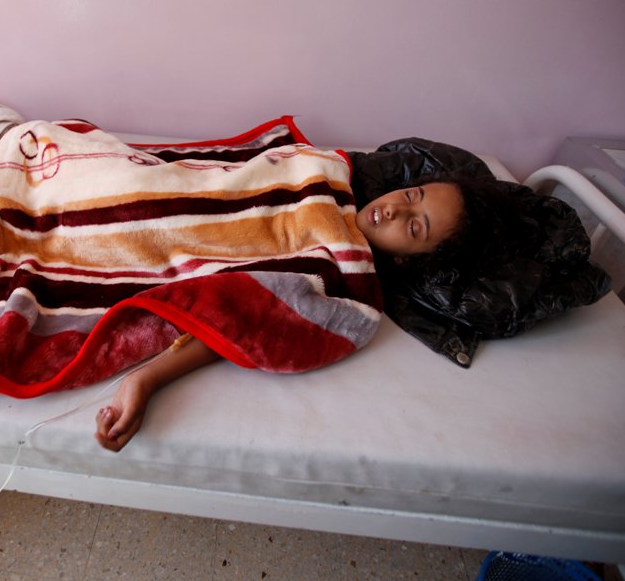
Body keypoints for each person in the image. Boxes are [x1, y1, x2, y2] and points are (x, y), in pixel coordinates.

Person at [95, 175, 493, 452]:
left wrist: (145, 379)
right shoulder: (329, 182)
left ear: (410, 262)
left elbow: (247, 313)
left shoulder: (347, 283)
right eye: (411, 196)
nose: (394, 212)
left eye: (414, 228)